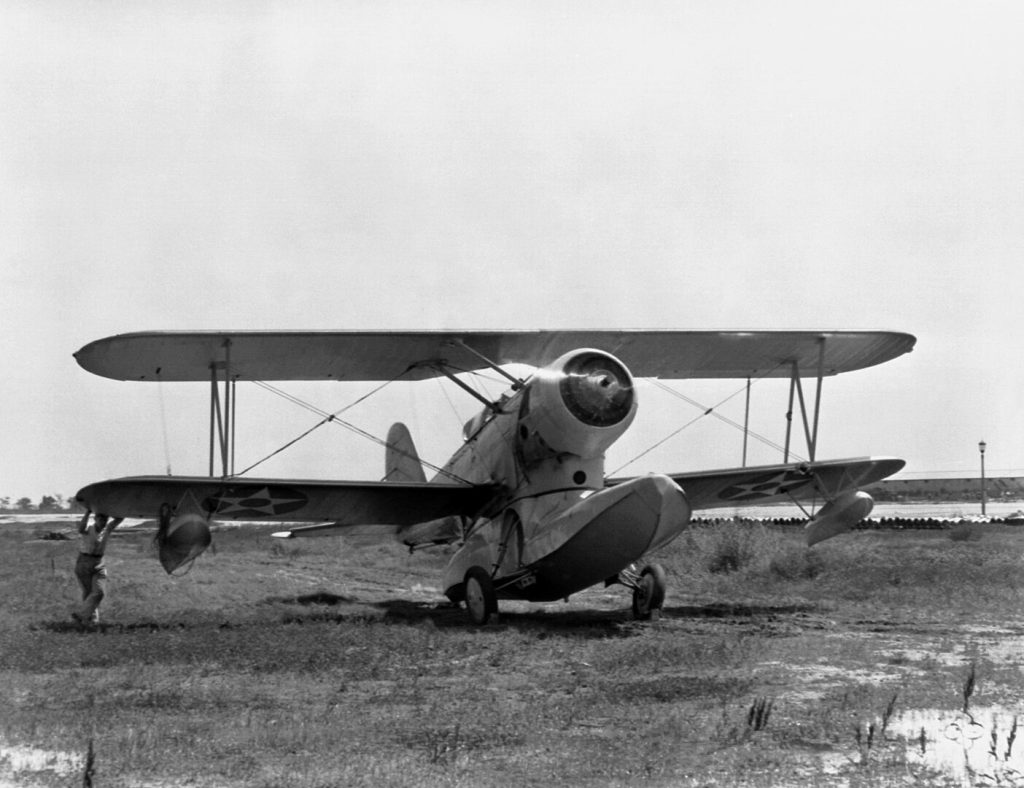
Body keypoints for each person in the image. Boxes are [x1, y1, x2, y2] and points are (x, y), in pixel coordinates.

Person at [73, 510, 123, 625]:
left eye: (105, 519)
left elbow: (118, 519)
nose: (103, 522)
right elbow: (80, 529)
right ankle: (92, 620)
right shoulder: (88, 528)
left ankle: (81, 615)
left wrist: (121, 508)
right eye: (101, 519)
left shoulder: (107, 529)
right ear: (95, 519)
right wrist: (87, 512)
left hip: (99, 562)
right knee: (88, 592)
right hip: (84, 561)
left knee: (99, 592)